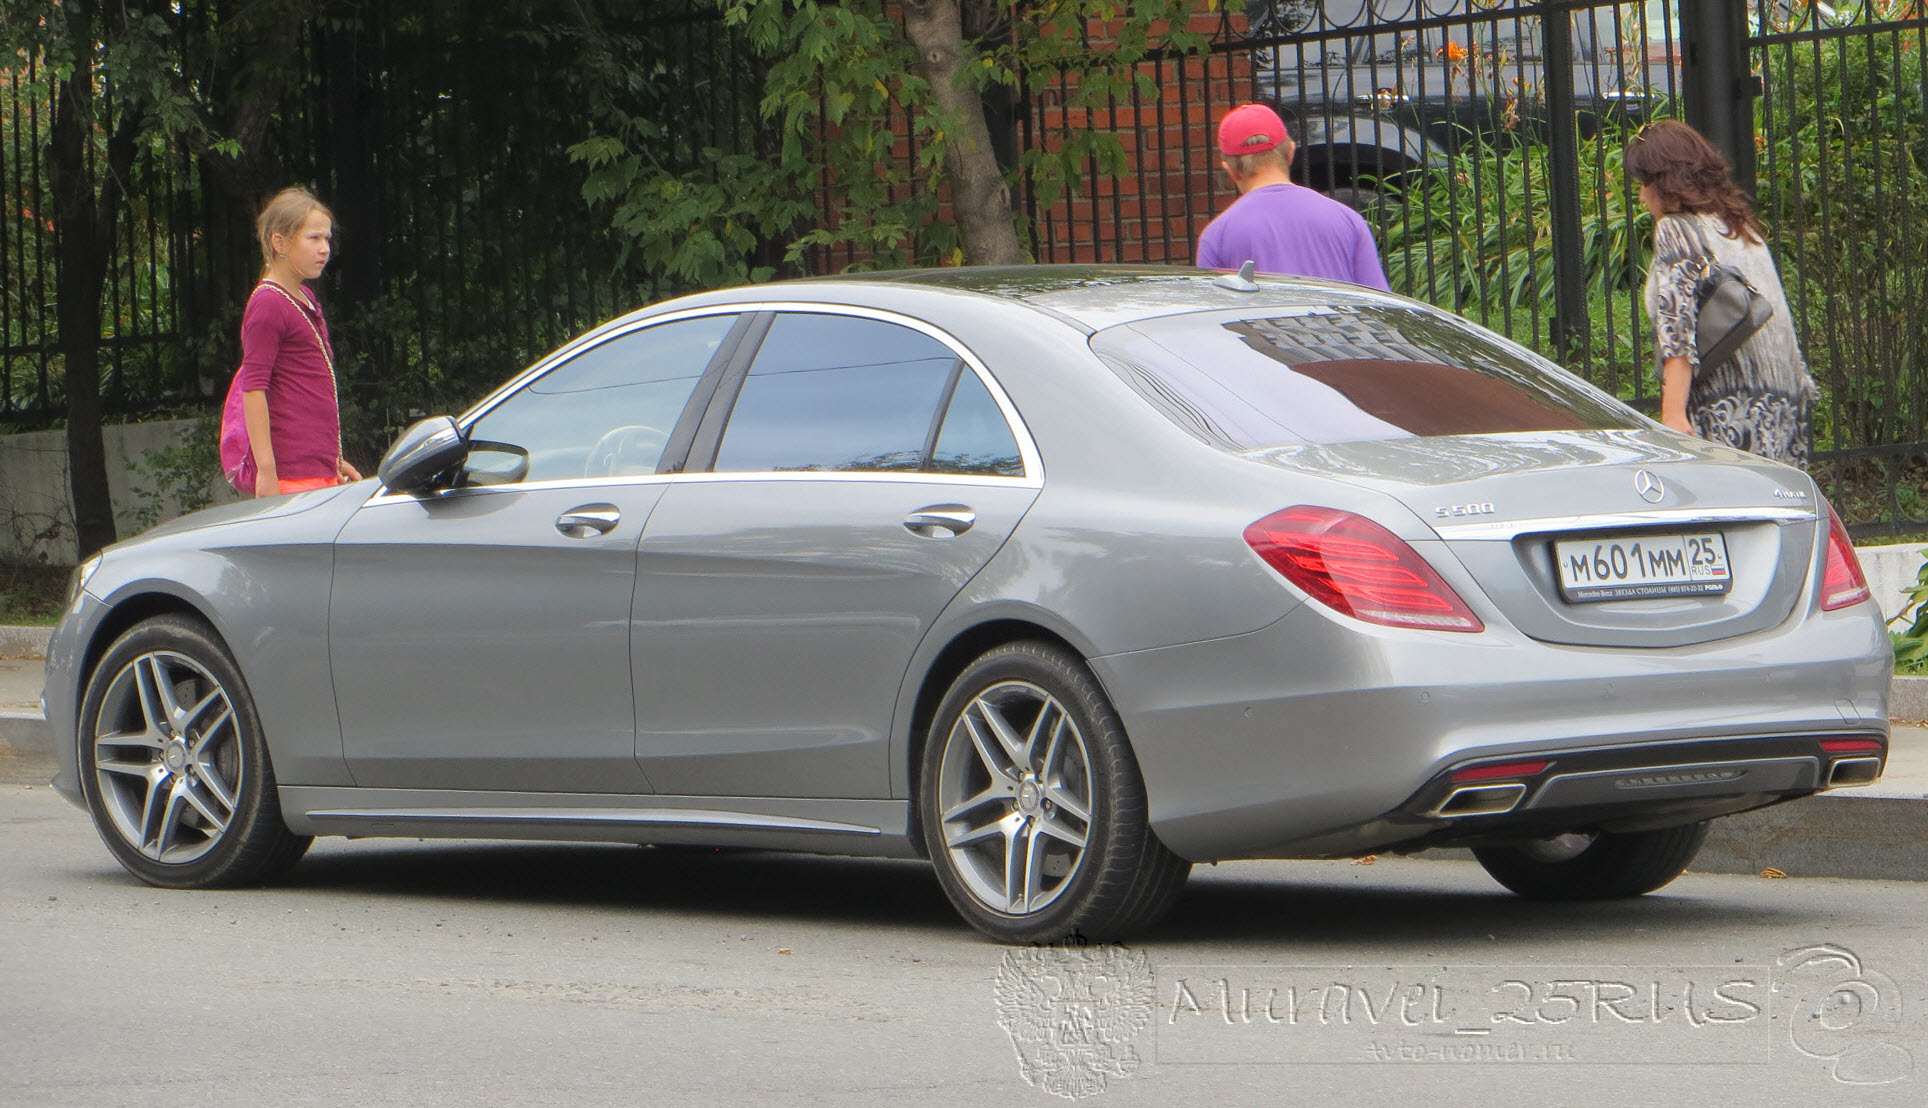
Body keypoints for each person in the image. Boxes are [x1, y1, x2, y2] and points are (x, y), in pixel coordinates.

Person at [1627, 120, 1816, 467]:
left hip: (1727, 408)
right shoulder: (1739, 227)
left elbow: (1677, 330)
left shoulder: (1677, 229)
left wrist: (1671, 415)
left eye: (1643, 184)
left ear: (1664, 182)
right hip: (1783, 405)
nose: (1640, 196)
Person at [238, 187, 360, 496]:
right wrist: (267, 472)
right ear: (279, 242)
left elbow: (306, 388)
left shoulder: (303, 296)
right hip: (292, 476)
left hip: (319, 468)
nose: (325, 249)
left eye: (327, 239)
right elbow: (253, 390)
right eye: (314, 238)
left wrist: (333, 459)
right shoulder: (268, 302)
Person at [1196, 103, 1390, 291]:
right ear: (1290, 152)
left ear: (1230, 170)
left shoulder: (1216, 237)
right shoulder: (1348, 220)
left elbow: (1212, 316)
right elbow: (1381, 306)